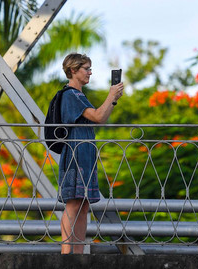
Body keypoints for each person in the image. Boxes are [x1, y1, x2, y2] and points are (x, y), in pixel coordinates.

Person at [57, 53, 124, 254]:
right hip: (76, 152)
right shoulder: (71, 95)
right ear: (73, 70)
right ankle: (67, 252)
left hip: (85, 152)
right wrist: (111, 96)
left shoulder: (79, 95)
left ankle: (77, 252)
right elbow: (97, 116)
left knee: (83, 205)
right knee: (74, 204)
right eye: (86, 68)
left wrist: (112, 100)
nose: (90, 72)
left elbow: (100, 117)